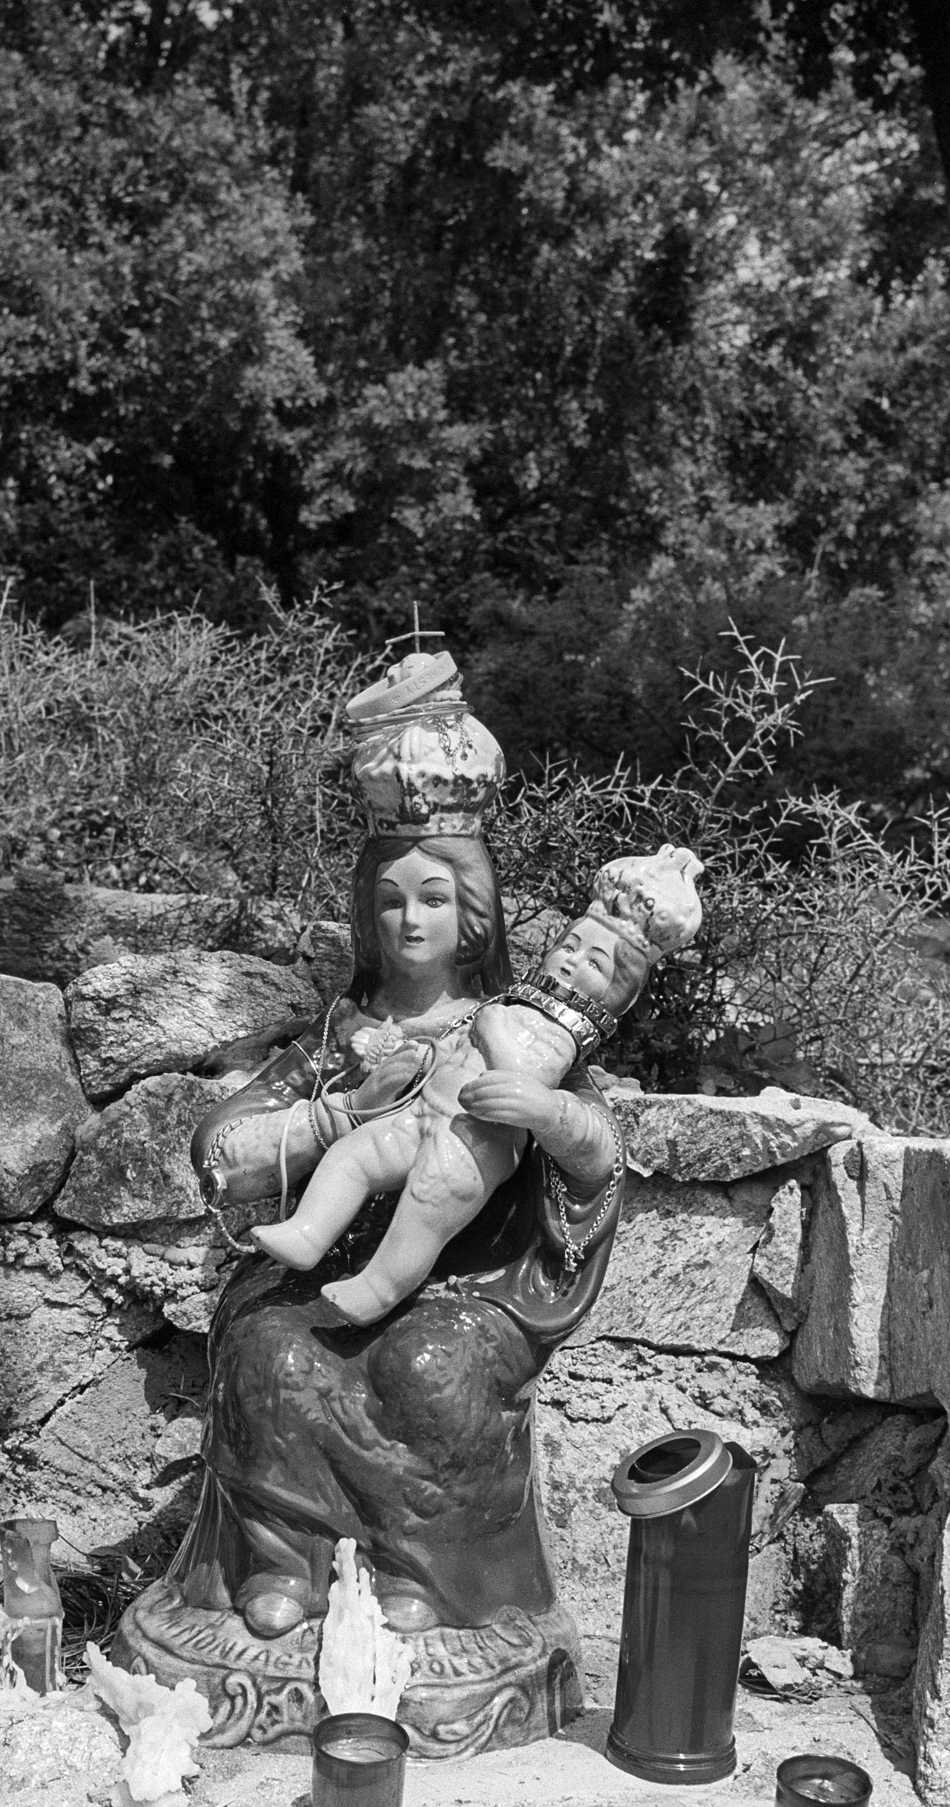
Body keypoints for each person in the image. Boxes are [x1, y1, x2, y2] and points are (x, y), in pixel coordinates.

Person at [138, 651, 629, 1647]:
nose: (413, 919)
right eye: (395, 898)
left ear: (474, 910)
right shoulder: (338, 1033)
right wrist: (331, 1119)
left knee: (429, 1365)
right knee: (271, 1346)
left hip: (468, 1285)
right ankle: (279, 1568)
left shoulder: (522, 1027)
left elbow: (591, 1166)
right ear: (368, 908)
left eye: (437, 898)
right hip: (330, 1261)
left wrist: (549, 1119)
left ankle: (431, 1581)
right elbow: (218, 1150)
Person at [252, 849, 704, 1325]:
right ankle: (307, 1232)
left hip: (472, 1141)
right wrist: (415, 1058)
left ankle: (376, 1291)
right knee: (355, 1154)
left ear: (616, 990)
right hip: (421, 1111)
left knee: (424, 1210)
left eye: (594, 963)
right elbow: (451, 1048)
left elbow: (516, 1086)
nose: (571, 963)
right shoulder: (506, 1004)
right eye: (569, 946)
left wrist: (493, 1034)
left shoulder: (557, 1038)